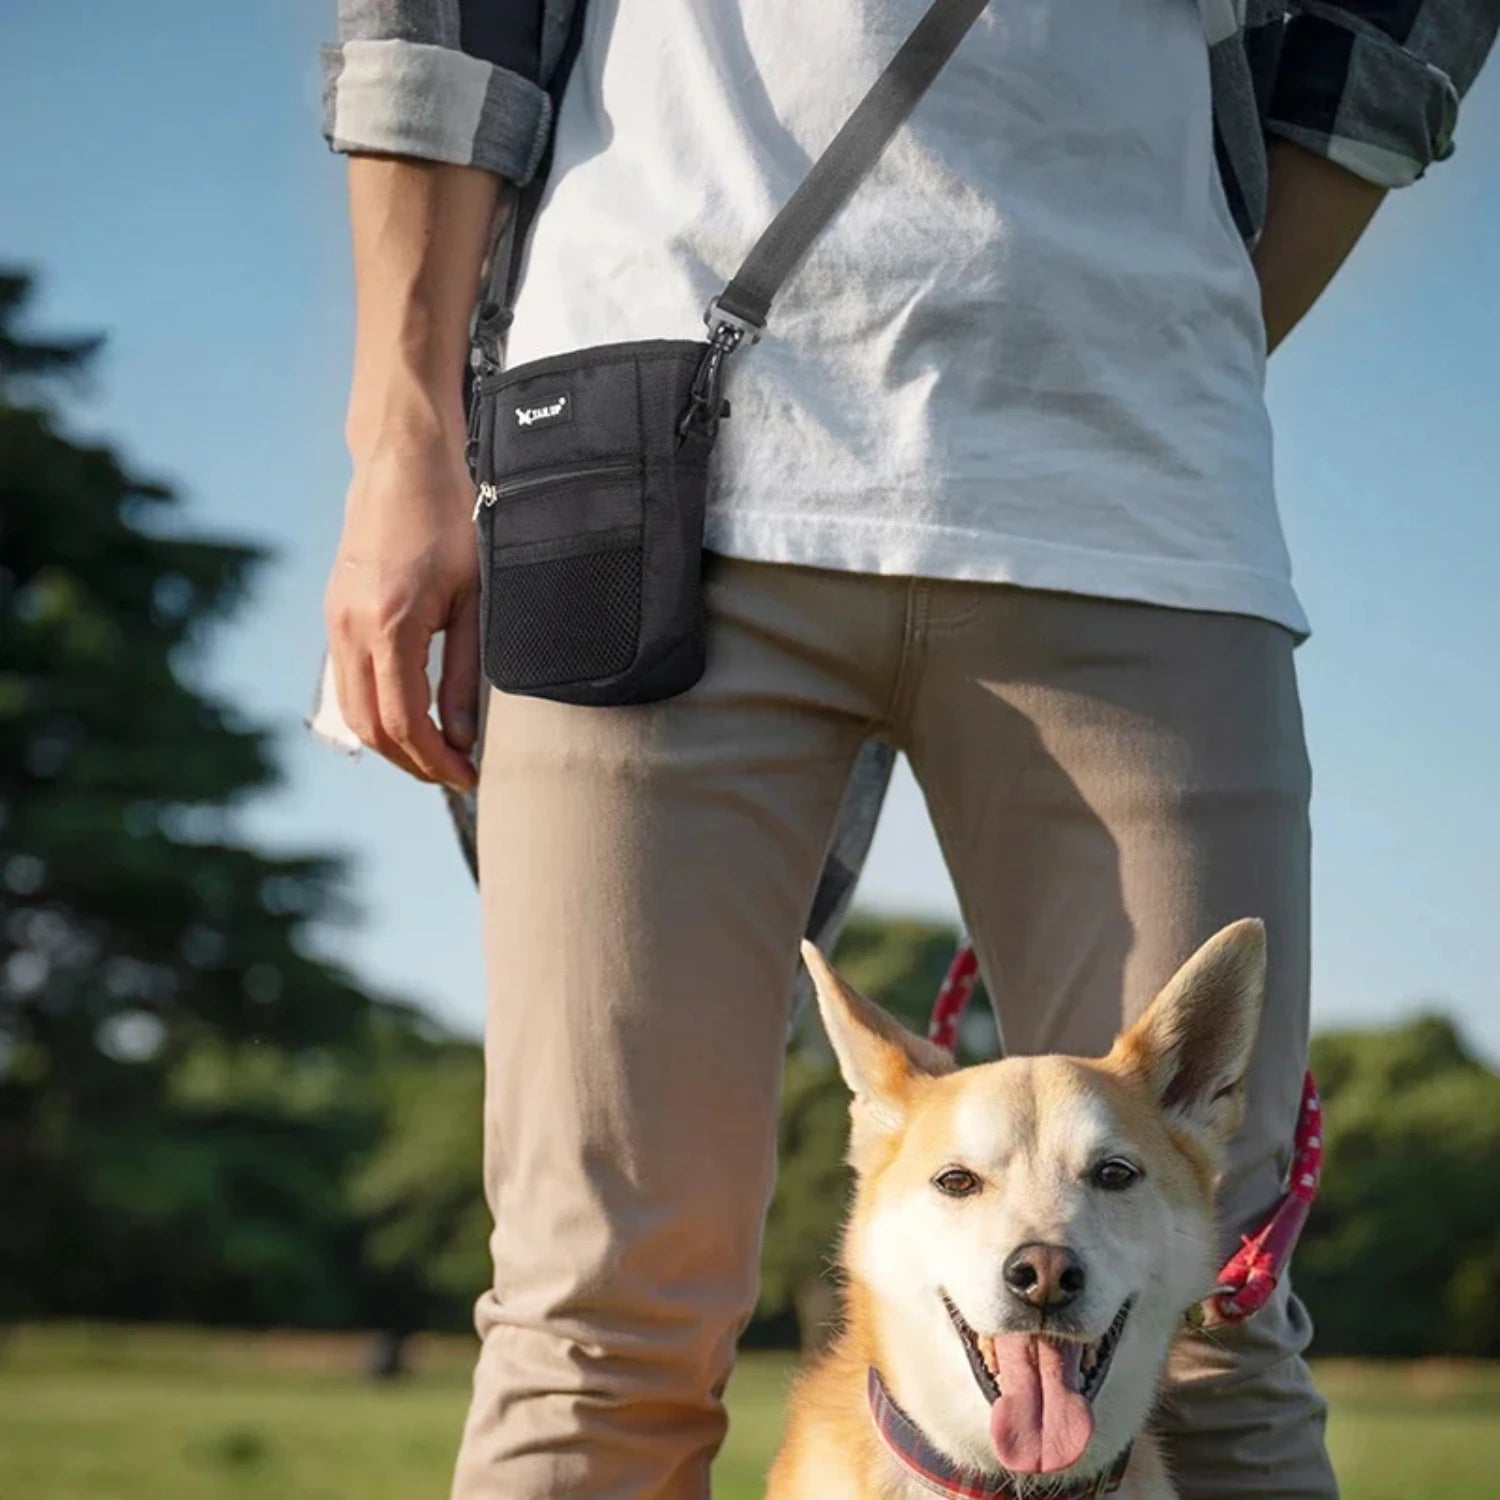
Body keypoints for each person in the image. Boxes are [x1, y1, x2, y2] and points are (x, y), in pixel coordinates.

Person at [317, 3, 1496, 1497]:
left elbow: (1388, 33)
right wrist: (401, 434)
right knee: (596, 1326)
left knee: (1207, 1332)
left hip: (1134, 500)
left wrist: (1155, 341)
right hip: (652, 458)